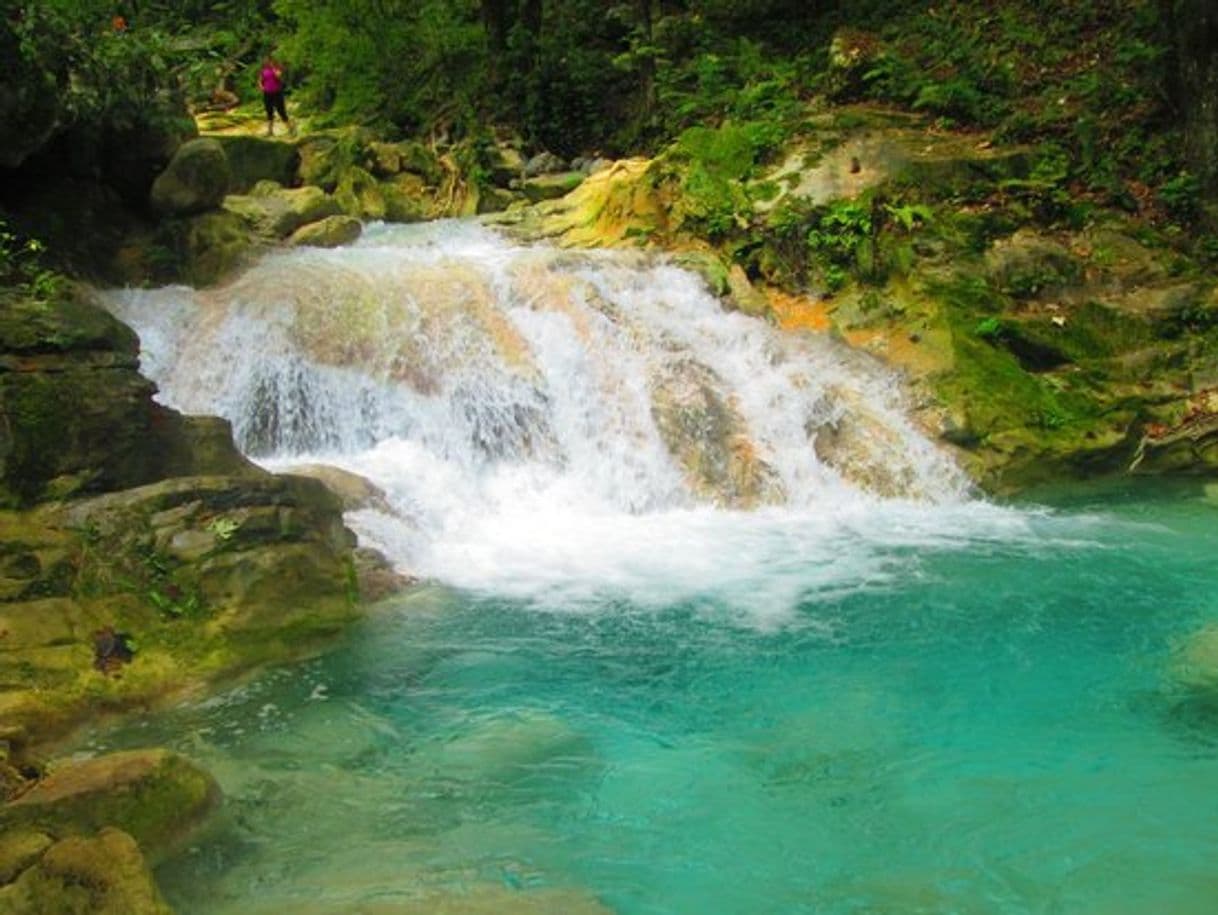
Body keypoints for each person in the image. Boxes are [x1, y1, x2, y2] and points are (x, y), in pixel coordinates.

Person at [259, 56, 293, 137]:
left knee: (281, 111)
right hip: (267, 93)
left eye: (269, 61)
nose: (268, 62)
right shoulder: (264, 71)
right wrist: (261, 87)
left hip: (277, 93)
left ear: (273, 62)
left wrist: (274, 69)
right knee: (269, 111)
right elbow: (260, 80)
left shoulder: (278, 69)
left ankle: (290, 129)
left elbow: (279, 77)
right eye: (267, 61)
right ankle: (270, 131)